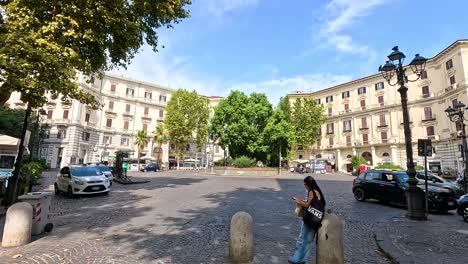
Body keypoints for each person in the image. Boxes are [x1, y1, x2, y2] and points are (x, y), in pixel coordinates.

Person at [289, 176, 326, 264]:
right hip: (316, 220)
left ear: (309, 184)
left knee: (302, 240)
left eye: (305, 184)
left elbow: (307, 205)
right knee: (308, 241)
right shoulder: (318, 191)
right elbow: (316, 204)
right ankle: (303, 260)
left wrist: (298, 201)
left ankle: (295, 259)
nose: (304, 186)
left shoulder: (311, 191)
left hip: (309, 218)